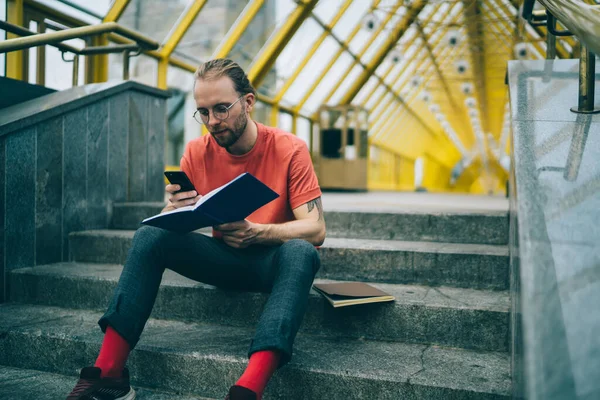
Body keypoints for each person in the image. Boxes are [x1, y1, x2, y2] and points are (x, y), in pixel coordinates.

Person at [67, 58, 326, 400]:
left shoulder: (289, 148)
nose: (212, 122)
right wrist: (174, 209)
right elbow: (166, 227)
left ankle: (249, 389)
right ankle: (110, 372)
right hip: (222, 260)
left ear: (248, 102)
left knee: (301, 252)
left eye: (221, 109)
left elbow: (316, 228)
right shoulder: (196, 151)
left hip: (274, 265)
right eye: (203, 112)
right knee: (149, 234)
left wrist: (257, 232)